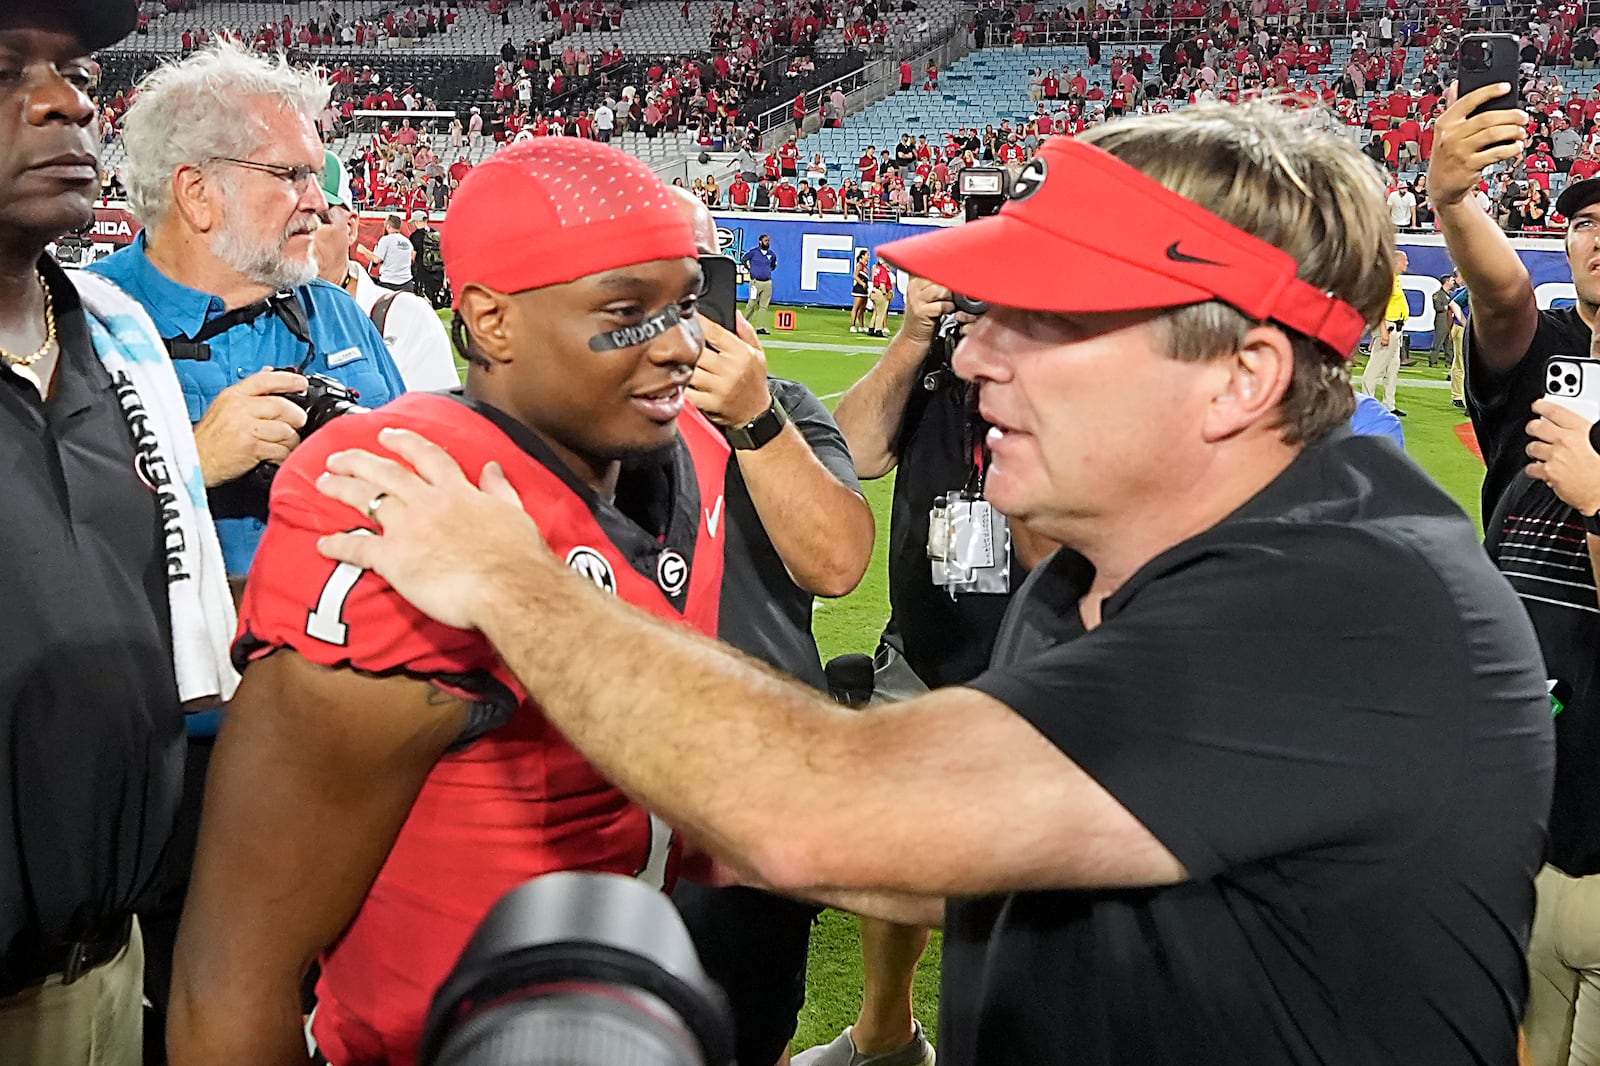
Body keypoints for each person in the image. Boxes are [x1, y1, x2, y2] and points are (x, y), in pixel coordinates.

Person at [310, 102, 1554, 1066]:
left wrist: (515, 584)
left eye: (1045, 320)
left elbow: (834, 815)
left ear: (1241, 374)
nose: (974, 349)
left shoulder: (1337, 607)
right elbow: (941, 860)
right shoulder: (1093, 567)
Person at [167, 138, 729, 1066]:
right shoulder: (403, 507)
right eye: (627, 312)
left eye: (687, 302)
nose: (680, 347)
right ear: (491, 321)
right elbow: (234, 971)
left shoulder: (692, 449)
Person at [85, 39, 407, 1036]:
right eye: (292, 174)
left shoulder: (337, 313)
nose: (321, 198)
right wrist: (190, 459)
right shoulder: (87, 322)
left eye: (319, 171)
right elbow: (38, 545)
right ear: (198, 193)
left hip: (339, 753)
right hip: (161, 764)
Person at [0, 2, 236, 1063]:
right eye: (6, 71)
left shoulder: (111, 334)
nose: (66, 102)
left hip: (111, 963)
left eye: (76, 72)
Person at [665, 186, 876, 1066]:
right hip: (594, 784)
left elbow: (834, 564)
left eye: (696, 280)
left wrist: (752, 417)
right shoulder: (554, 418)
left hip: (750, 790)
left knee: (749, 1031)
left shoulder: (779, 406)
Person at [1431, 80, 1600, 1066]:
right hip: (1510, 773)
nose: (1595, 236)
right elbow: (1499, 297)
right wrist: (1455, 203)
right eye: (1582, 222)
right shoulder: (1542, 353)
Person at [312, 152, 459, 392]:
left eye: (316, 218)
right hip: (404, 283)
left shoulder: (406, 319)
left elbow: (436, 425)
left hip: (389, 290)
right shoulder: (254, 316)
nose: (299, 230)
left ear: (350, 228)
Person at [1360, 250, 1409, 416]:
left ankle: (1389, 404)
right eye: (1405, 261)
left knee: (1392, 369)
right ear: (1396, 262)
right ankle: (1367, 403)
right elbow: (1378, 307)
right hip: (1387, 327)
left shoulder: (1395, 280)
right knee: (1376, 367)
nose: (1407, 264)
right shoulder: (1385, 281)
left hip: (1396, 328)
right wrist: (1383, 332)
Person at [407, 209, 444, 308]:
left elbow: (412, 257)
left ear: (418, 221)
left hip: (422, 272)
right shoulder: (436, 234)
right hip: (437, 272)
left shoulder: (414, 236)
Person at [743, 232, 777, 334]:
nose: (767, 242)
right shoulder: (753, 252)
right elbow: (744, 259)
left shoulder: (771, 254)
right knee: (751, 303)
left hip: (767, 283)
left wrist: (766, 272)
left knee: (764, 306)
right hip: (755, 282)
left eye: (768, 241)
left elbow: (773, 265)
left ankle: (760, 327)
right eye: (765, 240)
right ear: (760, 242)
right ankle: (744, 324)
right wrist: (750, 269)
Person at [373, 212, 416, 293]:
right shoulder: (407, 242)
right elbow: (412, 259)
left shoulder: (385, 240)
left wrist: (364, 251)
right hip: (406, 283)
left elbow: (376, 259)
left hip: (388, 283)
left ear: (388, 226)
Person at [1430, 272, 1456, 366]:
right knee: (1438, 341)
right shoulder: (1437, 294)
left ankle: (1449, 361)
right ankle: (1433, 361)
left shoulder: (1452, 294)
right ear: (1447, 282)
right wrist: (1448, 307)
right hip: (1442, 320)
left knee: (1449, 342)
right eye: (1452, 280)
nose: (1454, 282)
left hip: (1450, 320)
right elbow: (1438, 307)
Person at [867, 254, 894, 336]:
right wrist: (885, 293)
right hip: (879, 292)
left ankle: (871, 328)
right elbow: (882, 284)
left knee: (876, 312)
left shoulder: (877, 269)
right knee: (881, 313)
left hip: (874, 291)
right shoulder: (883, 270)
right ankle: (878, 330)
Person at [850, 249, 870, 333]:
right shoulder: (860, 265)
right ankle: (853, 325)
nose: (868, 257)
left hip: (864, 289)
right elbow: (855, 276)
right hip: (859, 289)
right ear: (862, 256)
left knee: (862, 308)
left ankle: (861, 326)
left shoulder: (866, 266)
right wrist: (862, 283)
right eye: (867, 255)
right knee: (856, 307)